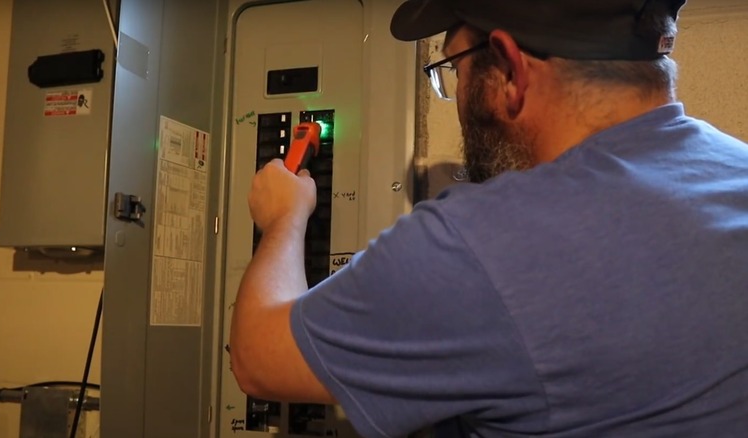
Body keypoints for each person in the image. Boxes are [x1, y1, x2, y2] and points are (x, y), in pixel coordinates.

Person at [229, 0, 748, 436]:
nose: (454, 95)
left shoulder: (479, 243)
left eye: (453, 68)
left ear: (508, 68)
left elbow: (255, 358)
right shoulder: (737, 171)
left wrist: (283, 219)